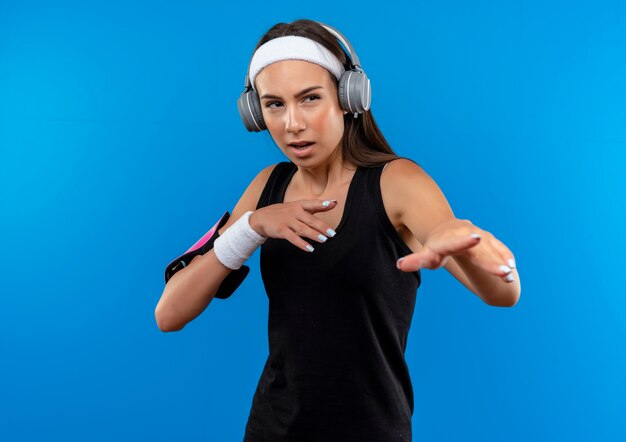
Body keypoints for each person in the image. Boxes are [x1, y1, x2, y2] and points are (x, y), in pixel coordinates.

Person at [155, 18, 521, 442]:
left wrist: (470, 247)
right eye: (274, 104)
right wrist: (251, 228)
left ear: (349, 97)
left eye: (309, 98)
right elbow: (168, 314)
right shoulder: (266, 186)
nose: (292, 123)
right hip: (271, 430)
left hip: (372, 431)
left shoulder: (397, 182)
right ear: (256, 113)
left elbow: (503, 294)